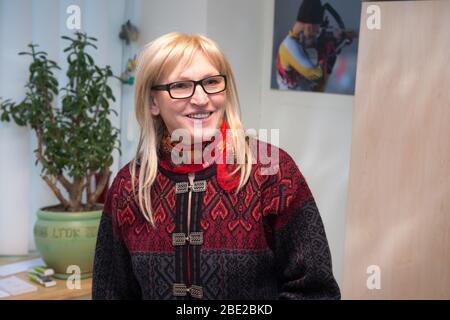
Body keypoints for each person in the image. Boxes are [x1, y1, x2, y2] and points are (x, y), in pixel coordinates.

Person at [92, 32, 340, 300]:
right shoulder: (128, 186)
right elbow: (110, 292)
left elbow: (316, 292)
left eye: (211, 82)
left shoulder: (272, 172)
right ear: (153, 102)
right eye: (181, 86)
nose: (200, 99)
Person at [276, 0, 336, 91]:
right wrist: (323, 53)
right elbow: (316, 75)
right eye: (316, 30)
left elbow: (316, 89)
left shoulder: (296, 44)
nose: (316, 33)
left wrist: (329, 63)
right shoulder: (289, 45)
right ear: (309, 26)